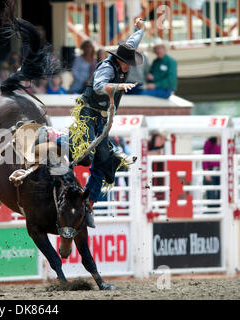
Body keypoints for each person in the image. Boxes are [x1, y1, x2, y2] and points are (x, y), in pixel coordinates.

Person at [65, 17, 145, 227]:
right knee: (87, 153)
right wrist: (118, 87)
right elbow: (99, 86)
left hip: (102, 118)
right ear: (120, 60)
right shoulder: (107, 68)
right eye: (128, 63)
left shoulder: (122, 62)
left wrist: (140, 29)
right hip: (88, 113)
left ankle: (89, 203)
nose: (129, 67)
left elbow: (133, 41)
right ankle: (56, 144)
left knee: (101, 159)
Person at [202, 136, 221, 210]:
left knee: (221, 193)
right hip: (211, 170)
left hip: (221, 170)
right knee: (211, 193)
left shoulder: (225, 141)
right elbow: (205, 157)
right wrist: (206, 172)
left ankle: (219, 211)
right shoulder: (209, 142)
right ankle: (212, 212)